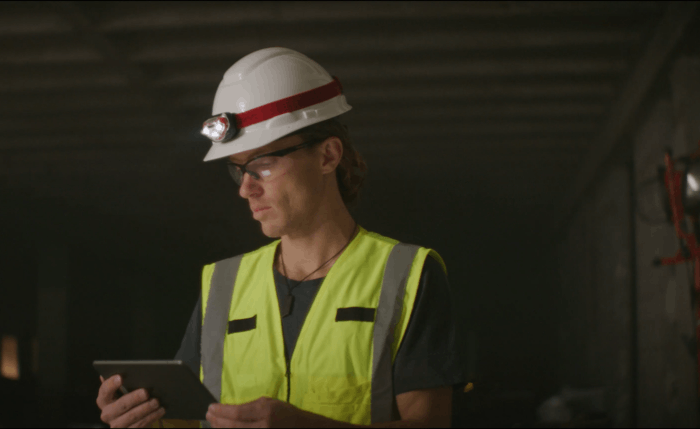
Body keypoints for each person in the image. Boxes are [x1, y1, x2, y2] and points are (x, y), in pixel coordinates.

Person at [96, 47, 463, 428]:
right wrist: (143, 419)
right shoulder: (223, 284)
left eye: (263, 165)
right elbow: (191, 420)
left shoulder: (407, 275)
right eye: (238, 170)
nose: (246, 188)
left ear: (328, 156)